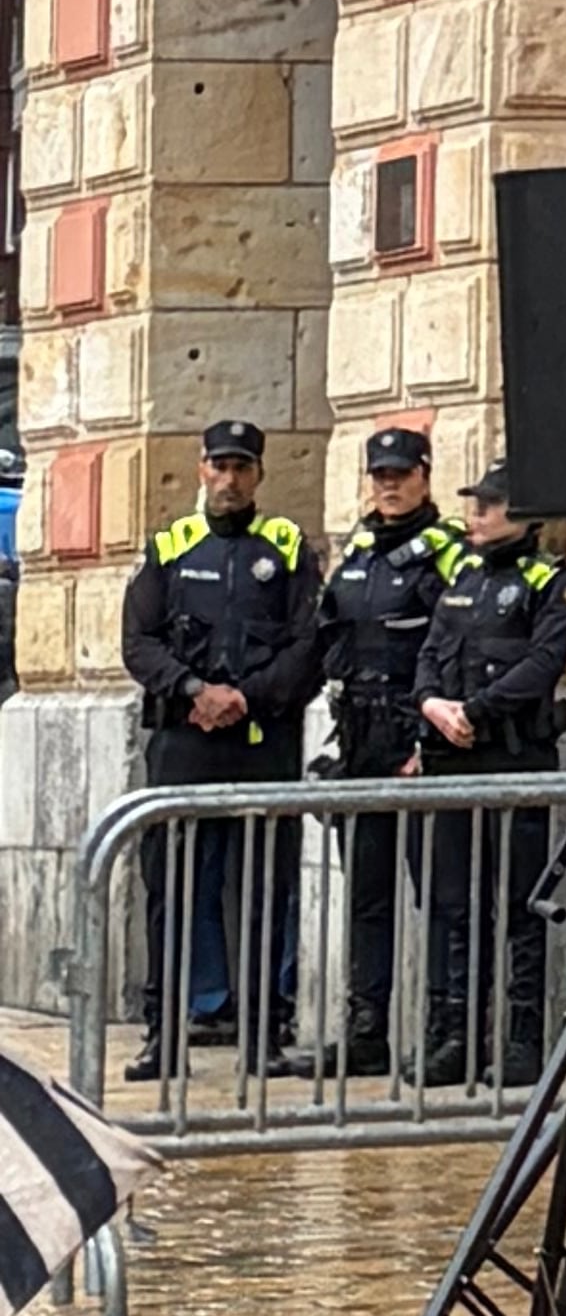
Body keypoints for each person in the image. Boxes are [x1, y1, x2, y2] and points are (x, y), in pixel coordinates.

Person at [119, 418, 320, 1064]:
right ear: (202, 469)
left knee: (265, 887)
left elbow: (307, 646)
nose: (229, 479)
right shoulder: (170, 546)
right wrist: (193, 690)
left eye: (241, 468)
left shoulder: (287, 548)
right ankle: (164, 1033)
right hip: (185, 738)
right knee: (172, 888)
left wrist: (244, 698)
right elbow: (138, 641)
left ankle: (262, 1035)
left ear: (259, 474)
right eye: (219, 466)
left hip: (261, 740)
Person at [410, 467, 566, 1082]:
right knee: (458, 904)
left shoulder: (550, 580)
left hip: (514, 759)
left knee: (519, 905)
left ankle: (521, 1042)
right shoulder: (462, 574)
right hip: (455, 760)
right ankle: (460, 1037)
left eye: (490, 505)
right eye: (475, 504)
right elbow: (430, 654)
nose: (476, 515)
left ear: (525, 513)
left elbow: (542, 664)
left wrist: (476, 712)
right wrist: (433, 705)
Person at [312, 423, 461, 1073]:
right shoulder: (359, 549)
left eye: (402, 475)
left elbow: (461, 642)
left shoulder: (448, 551)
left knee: (439, 897)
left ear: (425, 476)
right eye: (381, 476)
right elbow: (328, 636)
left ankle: (445, 1028)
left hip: (420, 741)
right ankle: (367, 1031)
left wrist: (429, 737)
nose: (391, 486)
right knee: (367, 897)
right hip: (361, 742)